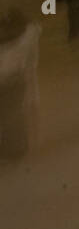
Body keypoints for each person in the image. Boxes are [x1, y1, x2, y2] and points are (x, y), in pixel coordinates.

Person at [0, 9, 39, 160]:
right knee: (12, 114)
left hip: (9, 81)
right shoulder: (24, 39)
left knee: (10, 115)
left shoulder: (13, 44)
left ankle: (15, 147)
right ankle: (15, 146)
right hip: (14, 80)